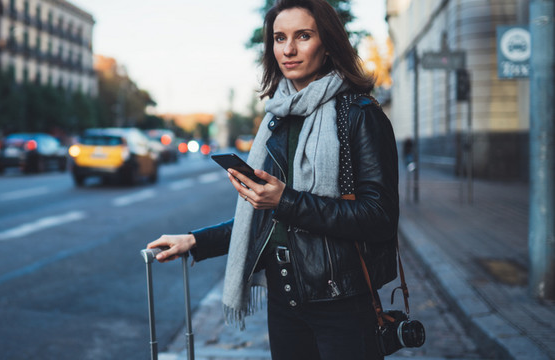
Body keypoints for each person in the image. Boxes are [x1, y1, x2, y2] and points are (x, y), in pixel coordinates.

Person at [146, 0, 400, 359]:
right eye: (280, 38)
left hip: (342, 302)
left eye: (303, 36)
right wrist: (195, 241)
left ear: (327, 44)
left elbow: (380, 218)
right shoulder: (275, 121)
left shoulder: (361, 116)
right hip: (286, 301)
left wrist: (286, 201)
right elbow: (265, 220)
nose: (289, 49)